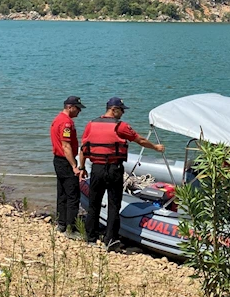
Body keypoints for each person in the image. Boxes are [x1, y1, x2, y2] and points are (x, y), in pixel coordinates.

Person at [80, 97, 165, 251]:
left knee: (94, 203)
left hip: (97, 169)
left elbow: (84, 147)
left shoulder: (91, 124)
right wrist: (156, 147)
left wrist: (81, 166)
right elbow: (139, 140)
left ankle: (90, 237)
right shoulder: (121, 126)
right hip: (114, 169)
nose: (123, 113)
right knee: (114, 205)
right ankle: (111, 240)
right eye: (121, 110)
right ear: (113, 109)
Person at [50, 95, 86, 234]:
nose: (79, 111)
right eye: (77, 108)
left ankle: (61, 223)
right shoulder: (66, 123)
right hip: (65, 161)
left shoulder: (57, 119)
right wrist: (74, 166)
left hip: (58, 160)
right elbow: (66, 146)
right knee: (72, 196)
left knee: (62, 194)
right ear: (70, 107)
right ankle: (71, 228)